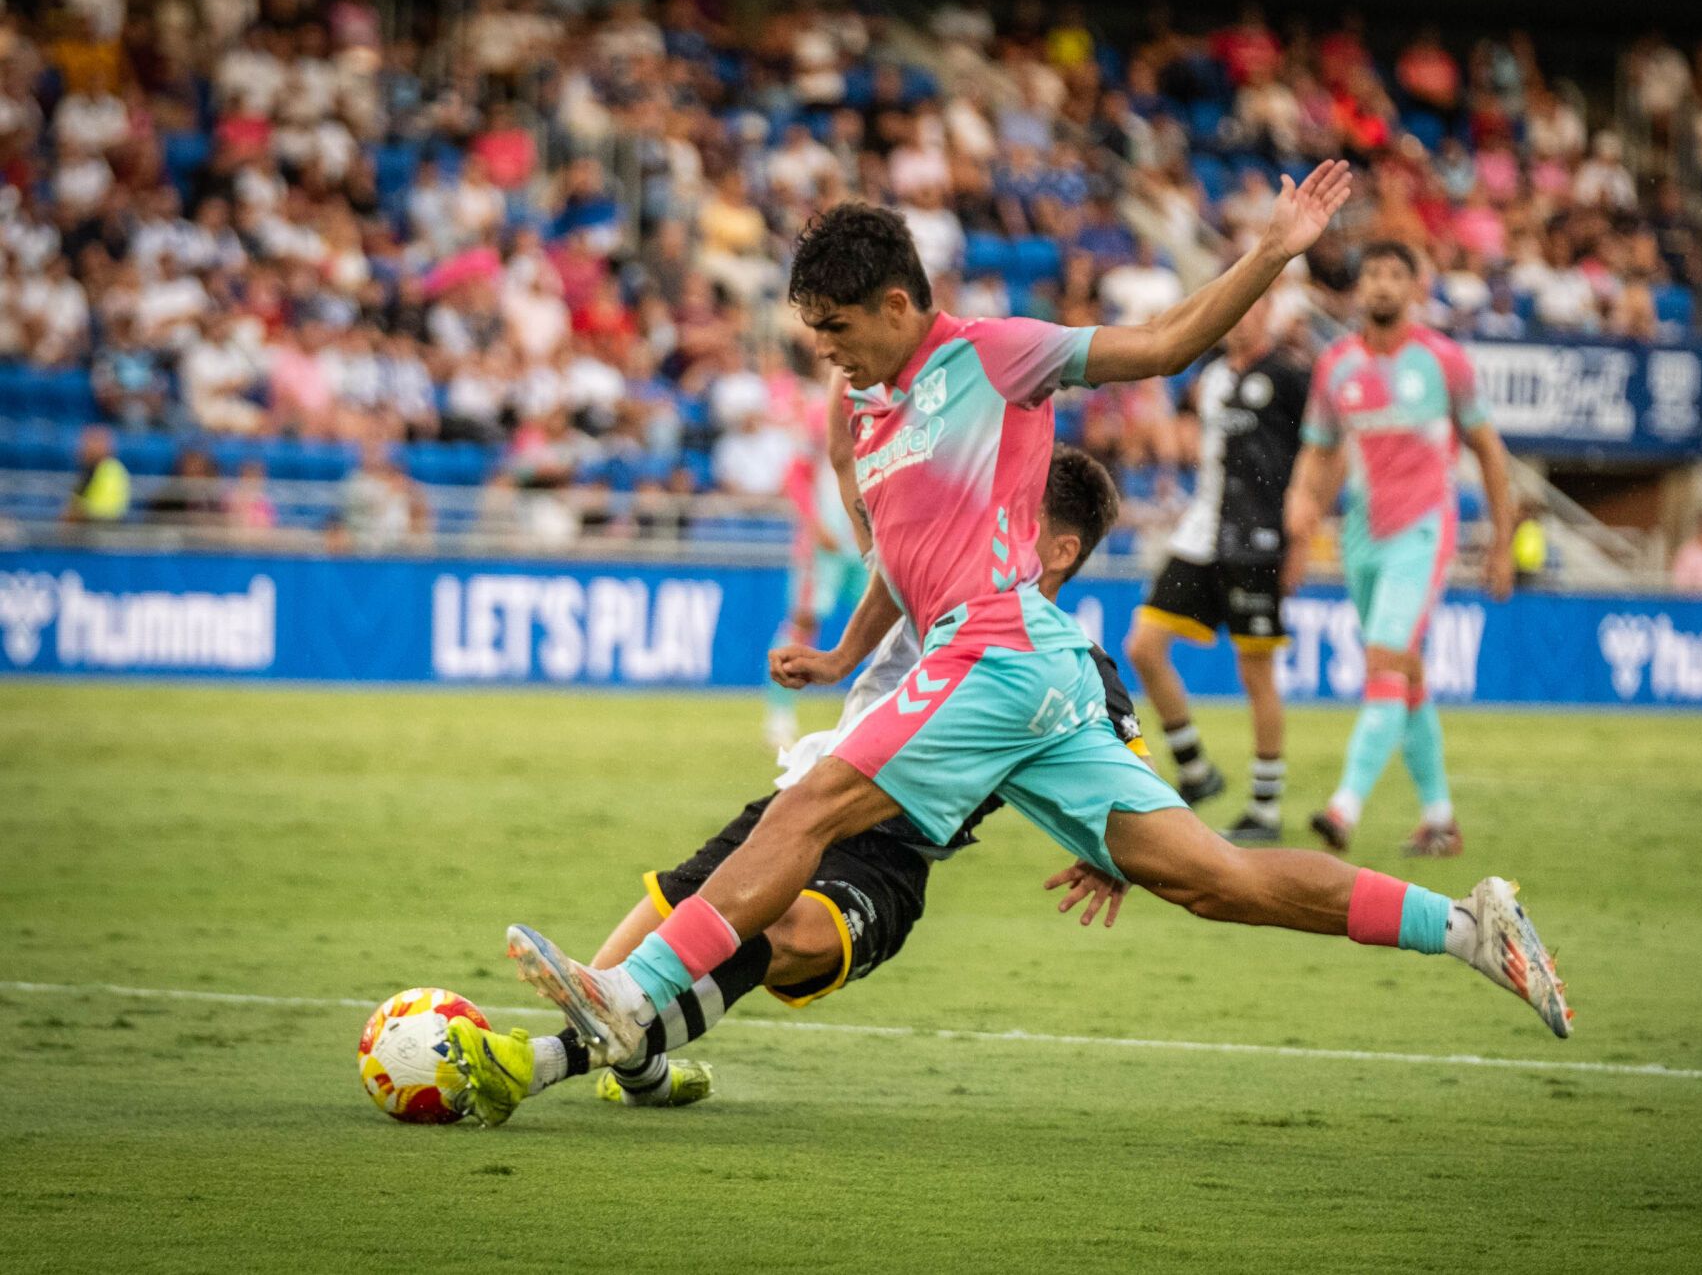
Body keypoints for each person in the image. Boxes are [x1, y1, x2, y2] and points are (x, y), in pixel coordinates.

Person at [502, 173, 1572, 1088]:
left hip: (997, 649)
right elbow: (903, 562)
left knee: (813, 801)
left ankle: (631, 997)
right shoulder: (871, 414)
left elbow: (1159, 346)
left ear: (891, 302)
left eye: (835, 330)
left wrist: (1271, 255)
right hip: (1027, 668)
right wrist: (840, 654)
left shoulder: (995, 355)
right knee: (1211, 879)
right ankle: (1469, 925)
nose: (825, 353)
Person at [445, 448, 1138, 1124]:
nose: (994, 519)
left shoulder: (1075, 666)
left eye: (1019, 513)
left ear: (1061, 552)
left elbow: (1134, 784)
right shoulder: (937, 574)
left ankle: (535, 1063)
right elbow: (847, 460)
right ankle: (643, 1071)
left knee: (777, 928)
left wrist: (1115, 854)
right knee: (607, 972)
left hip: (887, 858)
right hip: (802, 803)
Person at [1282, 240, 1517, 859]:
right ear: (1358, 290)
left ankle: (1343, 807)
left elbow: (1490, 452)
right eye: (1372, 274)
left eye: (1395, 274)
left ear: (1416, 288)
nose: (1382, 284)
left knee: (1384, 660)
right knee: (1403, 672)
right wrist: (1301, 511)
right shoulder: (1335, 366)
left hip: (1424, 530)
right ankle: (1439, 819)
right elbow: (1321, 450)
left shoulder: (1445, 362)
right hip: (1362, 537)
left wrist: (1502, 541)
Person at [1124, 293, 1309, 842]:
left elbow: (1322, 452)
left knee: (1256, 675)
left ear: (1266, 314)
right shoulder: (1209, 378)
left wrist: (1298, 540)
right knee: (1143, 646)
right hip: (1201, 531)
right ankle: (1196, 770)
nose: (1240, 316)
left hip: (1257, 542)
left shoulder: (1289, 377)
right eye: (1234, 305)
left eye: (1249, 306)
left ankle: (1265, 809)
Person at [765, 385, 872, 750]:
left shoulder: (883, 405)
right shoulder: (819, 413)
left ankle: (877, 715)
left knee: (883, 625)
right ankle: (779, 717)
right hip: (823, 544)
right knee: (804, 622)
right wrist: (814, 525)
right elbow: (795, 476)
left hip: (868, 542)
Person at [65, 426, 130, 523]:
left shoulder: (111, 470)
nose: (83, 448)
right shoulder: (88, 471)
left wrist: (80, 512)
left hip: (102, 530)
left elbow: (109, 510)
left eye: (91, 442)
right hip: (84, 528)